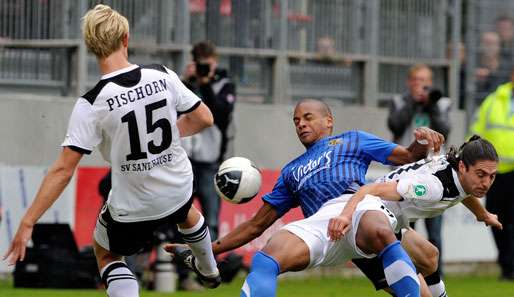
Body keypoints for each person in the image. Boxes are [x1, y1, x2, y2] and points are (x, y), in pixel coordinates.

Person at [3, 4, 220, 297]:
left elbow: (63, 170)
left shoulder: (92, 103)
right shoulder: (162, 74)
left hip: (134, 204)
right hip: (178, 186)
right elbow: (205, 118)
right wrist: (170, 134)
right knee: (186, 212)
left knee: (105, 252)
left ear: (92, 47)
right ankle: (209, 269)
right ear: (125, 39)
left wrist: (28, 221)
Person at [168, 98, 445, 297]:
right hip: (327, 228)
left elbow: (407, 156)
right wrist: (206, 249)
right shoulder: (291, 172)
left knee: (429, 257)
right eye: (296, 121)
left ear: (329, 120)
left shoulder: (353, 140)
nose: (300, 124)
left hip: (360, 211)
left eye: (308, 117)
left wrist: (423, 140)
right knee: (267, 258)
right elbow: (256, 225)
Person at [331, 135, 502, 297]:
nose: (486, 183)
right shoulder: (431, 188)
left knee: (429, 257)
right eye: (481, 175)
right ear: (463, 167)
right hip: (367, 229)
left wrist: (484, 215)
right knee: (420, 294)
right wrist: (345, 216)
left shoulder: (458, 173)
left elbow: (464, 193)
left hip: (389, 223)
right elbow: (370, 189)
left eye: (492, 177)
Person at [387, 63, 451, 276]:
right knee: (404, 228)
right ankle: (406, 270)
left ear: (430, 83)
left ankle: (435, 274)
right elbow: (395, 126)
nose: (420, 85)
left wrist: (429, 105)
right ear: (409, 83)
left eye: (424, 81)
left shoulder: (441, 103)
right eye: (416, 80)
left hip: (433, 171)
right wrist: (413, 104)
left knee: (435, 228)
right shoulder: (399, 101)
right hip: (404, 171)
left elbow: (444, 130)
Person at [181, 40, 236, 241]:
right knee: (179, 215)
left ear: (215, 63)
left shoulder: (224, 84)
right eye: (201, 64)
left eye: (209, 64)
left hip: (210, 161)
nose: (205, 69)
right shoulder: (182, 84)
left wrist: (206, 85)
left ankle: (207, 267)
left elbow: (220, 114)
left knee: (210, 217)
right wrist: (187, 82)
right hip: (183, 158)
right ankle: (180, 266)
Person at [470, 67, 514, 281]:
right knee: (496, 220)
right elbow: (478, 131)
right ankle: (506, 267)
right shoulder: (493, 100)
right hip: (495, 173)